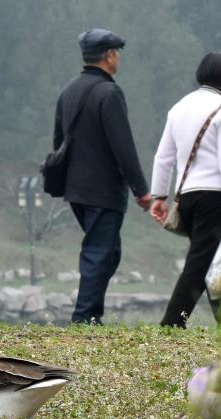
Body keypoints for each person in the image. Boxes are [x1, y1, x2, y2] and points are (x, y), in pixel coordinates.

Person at [53, 28, 151, 325]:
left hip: (76, 189)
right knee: (99, 251)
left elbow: (58, 141)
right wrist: (140, 189)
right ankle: (85, 317)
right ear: (109, 56)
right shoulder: (109, 93)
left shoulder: (68, 91)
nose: (117, 57)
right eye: (116, 53)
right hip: (103, 190)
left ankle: (90, 312)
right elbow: (123, 146)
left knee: (108, 251)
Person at [149, 52, 221, 328]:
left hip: (187, 196)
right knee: (200, 263)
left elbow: (164, 157)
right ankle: (172, 321)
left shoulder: (178, 108)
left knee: (211, 259)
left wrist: (159, 196)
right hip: (213, 195)